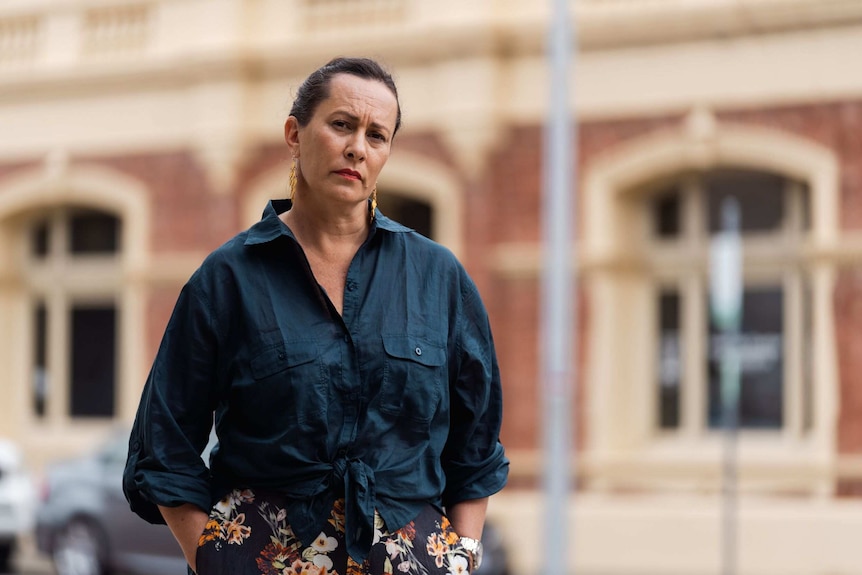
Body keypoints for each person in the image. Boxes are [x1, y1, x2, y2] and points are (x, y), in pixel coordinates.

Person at [123, 56, 509, 575]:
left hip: (413, 555)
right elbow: (162, 444)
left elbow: (476, 444)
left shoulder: (438, 277)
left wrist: (463, 555)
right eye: (342, 125)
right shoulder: (228, 279)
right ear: (294, 132)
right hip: (264, 553)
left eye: (378, 135)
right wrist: (214, 558)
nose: (357, 148)